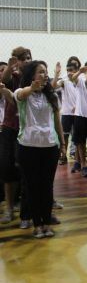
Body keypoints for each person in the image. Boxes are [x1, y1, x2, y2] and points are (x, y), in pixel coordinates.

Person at [14, 61, 64, 238]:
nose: (44, 75)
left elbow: (57, 122)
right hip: (28, 147)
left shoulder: (51, 96)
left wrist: (63, 144)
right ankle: (37, 224)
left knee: (47, 186)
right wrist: (31, 88)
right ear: (31, 76)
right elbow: (21, 94)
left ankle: (46, 223)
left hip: (50, 146)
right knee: (32, 187)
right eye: (40, 72)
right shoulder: (22, 93)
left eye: (46, 72)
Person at [0, 47, 32, 225]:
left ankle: (29, 207)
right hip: (10, 127)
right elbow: (3, 82)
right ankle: (9, 207)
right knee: (7, 169)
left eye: (28, 58)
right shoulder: (13, 76)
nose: (25, 61)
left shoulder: (33, 77)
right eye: (22, 58)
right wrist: (9, 67)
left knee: (26, 170)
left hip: (27, 128)